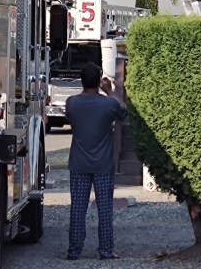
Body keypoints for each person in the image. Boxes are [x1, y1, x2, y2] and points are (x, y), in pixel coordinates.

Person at [64, 62, 127, 260]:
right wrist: (110, 91)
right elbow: (123, 111)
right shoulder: (108, 104)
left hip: (79, 163)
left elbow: (69, 119)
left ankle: (74, 250)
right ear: (99, 81)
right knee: (105, 208)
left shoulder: (72, 102)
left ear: (81, 81)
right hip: (103, 164)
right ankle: (106, 250)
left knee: (78, 208)